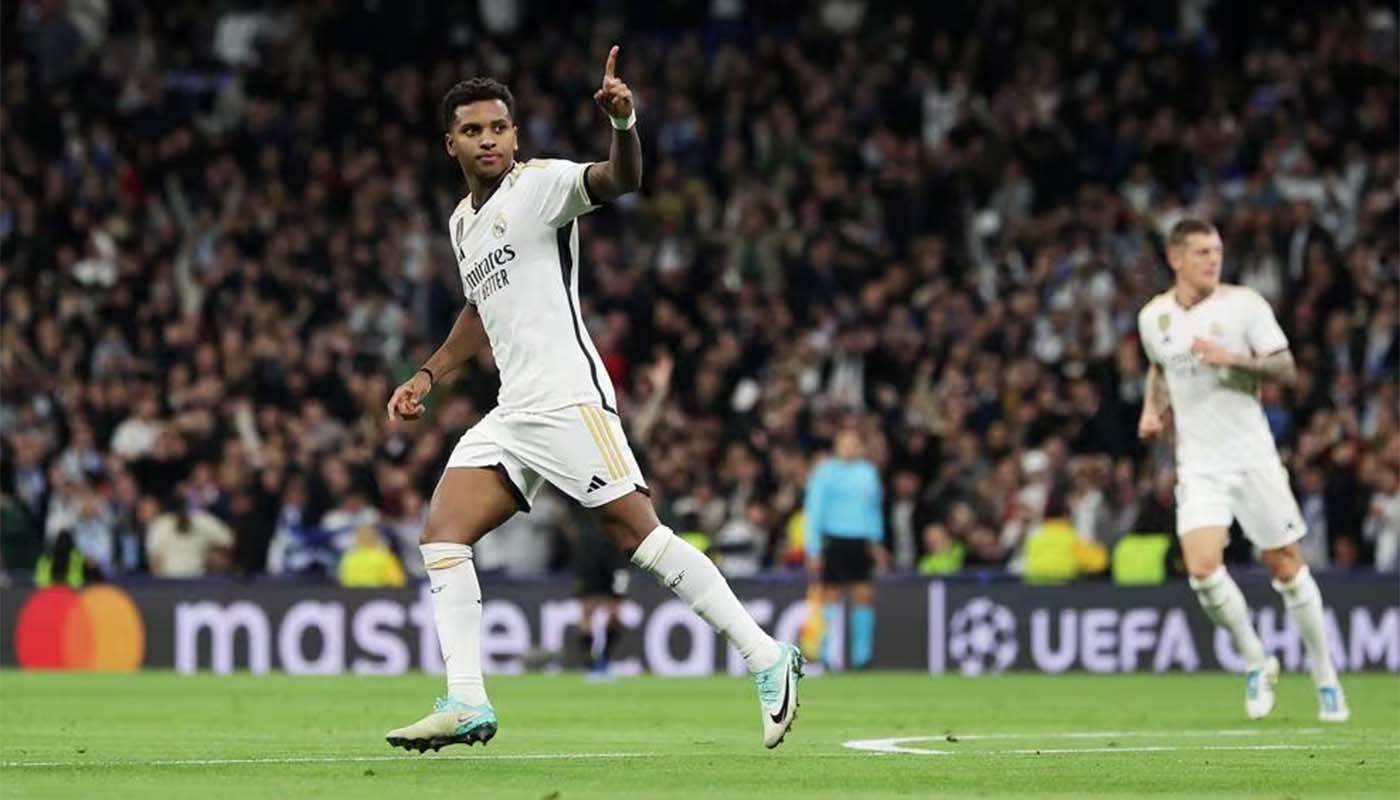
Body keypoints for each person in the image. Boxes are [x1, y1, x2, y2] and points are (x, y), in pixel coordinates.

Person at [382, 49, 800, 753]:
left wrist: (624, 124)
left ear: (515, 135)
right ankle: (466, 700)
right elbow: (480, 310)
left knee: (641, 539)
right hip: (514, 412)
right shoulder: (462, 224)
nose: (488, 140)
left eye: (498, 127)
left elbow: (619, 179)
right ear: (450, 143)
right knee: (443, 535)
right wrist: (427, 375)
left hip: (569, 400)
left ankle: (766, 655)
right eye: (473, 130)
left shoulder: (540, 186)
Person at [1137, 218, 1348, 722]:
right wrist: (1152, 409)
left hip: (1252, 457)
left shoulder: (1244, 305)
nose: (1214, 260)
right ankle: (1257, 660)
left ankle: (1325, 676)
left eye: (1217, 251)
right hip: (1199, 464)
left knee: (1287, 567)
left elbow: (1286, 368)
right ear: (1176, 258)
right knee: (1202, 569)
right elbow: (1159, 366)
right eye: (1202, 252)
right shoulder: (1154, 316)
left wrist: (1232, 358)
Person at [803, 427, 886, 671]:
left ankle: (863, 658)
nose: (849, 448)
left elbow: (874, 509)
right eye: (844, 443)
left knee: (864, 595)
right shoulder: (825, 472)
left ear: (860, 447)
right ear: (837, 447)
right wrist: (813, 549)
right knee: (830, 596)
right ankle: (824, 654)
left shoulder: (868, 473)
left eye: (853, 444)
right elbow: (814, 511)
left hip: (861, 541)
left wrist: (876, 541)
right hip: (834, 540)